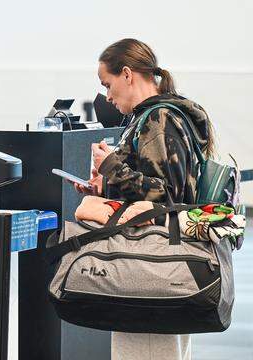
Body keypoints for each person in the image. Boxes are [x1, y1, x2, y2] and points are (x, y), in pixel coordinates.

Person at [74, 38, 216, 360]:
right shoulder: (155, 117)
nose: (107, 96)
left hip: (149, 265)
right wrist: (104, 186)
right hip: (162, 266)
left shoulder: (159, 120)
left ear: (127, 74)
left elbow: (164, 197)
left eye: (107, 85)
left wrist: (110, 166)